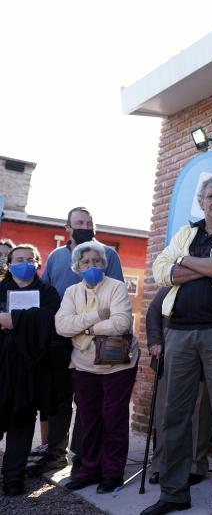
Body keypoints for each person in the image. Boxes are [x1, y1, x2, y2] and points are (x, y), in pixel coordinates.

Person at [143, 176, 212, 515]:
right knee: (175, 415)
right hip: (178, 332)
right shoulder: (184, 234)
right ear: (201, 201)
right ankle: (174, 492)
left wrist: (186, 261)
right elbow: (161, 271)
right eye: (211, 196)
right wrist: (208, 267)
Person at [33, 207, 124, 479]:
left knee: (91, 402)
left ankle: (84, 457)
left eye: (89, 222)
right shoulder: (57, 257)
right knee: (60, 398)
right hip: (62, 340)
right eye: (80, 222)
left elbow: (115, 297)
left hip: (99, 339)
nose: (86, 226)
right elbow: (47, 295)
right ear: (68, 227)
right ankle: (55, 454)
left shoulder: (108, 255)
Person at [55, 241, 138, 494]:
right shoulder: (71, 292)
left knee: (113, 419)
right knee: (89, 420)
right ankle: (89, 470)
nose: (92, 265)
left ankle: (112, 473)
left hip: (117, 365)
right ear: (77, 267)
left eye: (97, 261)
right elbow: (62, 326)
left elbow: (121, 324)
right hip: (83, 366)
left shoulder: (117, 287)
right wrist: (97, 317)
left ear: (104, 264)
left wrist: (85, 329)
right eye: (86, 262)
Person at [0, 244, 65, 496]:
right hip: (2, 366)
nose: (24, 263)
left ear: (37, 263)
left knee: (22, 421)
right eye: (19, 259)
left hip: (31, 370)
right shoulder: (1, 289)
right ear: (9, 263)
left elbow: (52, 321)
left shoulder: (48, 292)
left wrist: (13, 320)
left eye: (30, 259)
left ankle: (13, 478)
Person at [145, 287, 212, 487]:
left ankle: (195, 465)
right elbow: (153, 312)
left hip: (202, 358)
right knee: (165, 413)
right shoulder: (172, 283)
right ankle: (160, 465)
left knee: (199, 414)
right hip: (170, 357)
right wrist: (155, 341)